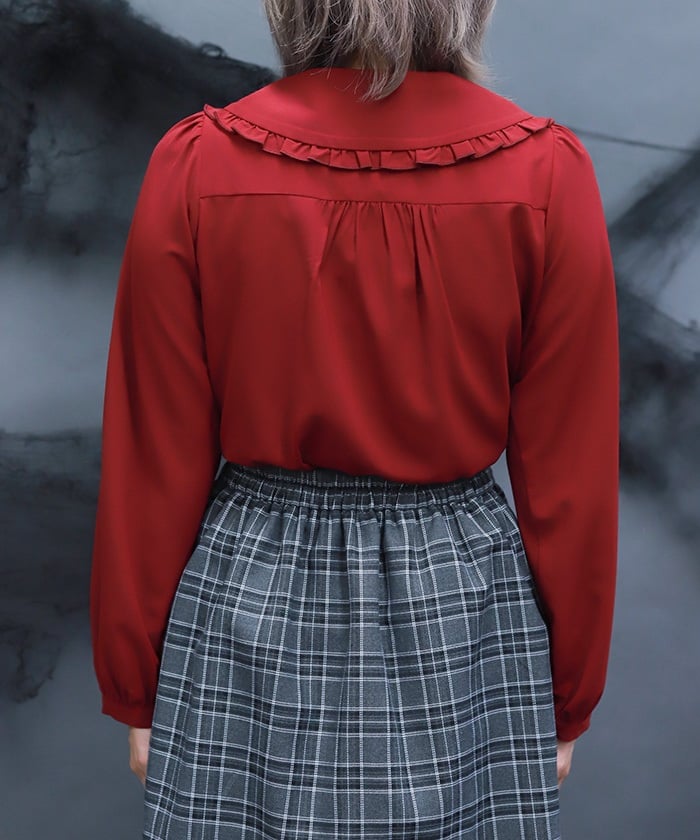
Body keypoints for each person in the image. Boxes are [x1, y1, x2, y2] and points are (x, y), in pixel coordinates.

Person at [89, 1, 619, 837]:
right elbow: (571, 473)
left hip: (251, 582)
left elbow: (154, 453)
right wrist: (568, 695)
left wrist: (137, 686)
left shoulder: (197, 162)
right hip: (462, 598)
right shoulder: (547, 172)